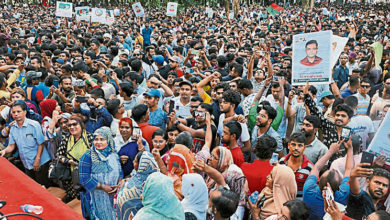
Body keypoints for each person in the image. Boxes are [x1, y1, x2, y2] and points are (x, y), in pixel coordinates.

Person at [0, 101, 51, 187]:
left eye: (18, 111)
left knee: (44, 187)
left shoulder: (34, 125)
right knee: (32, 187)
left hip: (41, 162)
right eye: (13, 112)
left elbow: (41, 144)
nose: (16, 114)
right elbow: (11, 146)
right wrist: (4, 151)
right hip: (26, 163)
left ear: (25, 112)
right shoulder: (13, 128)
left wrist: (37, 160)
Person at [79, 127, 123, 220]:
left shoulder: (114, 155)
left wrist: (119, 183)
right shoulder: (87, 156)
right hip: (95, 198)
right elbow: (84, 179)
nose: (98, 142)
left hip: (114, 195)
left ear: (109, 140)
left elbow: (120, 172)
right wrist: (104, 187)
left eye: (102, 139)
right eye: (96, 139)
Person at [303, 139, 353, 220]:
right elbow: (348, 169)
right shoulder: (343, 194)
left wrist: (330, 151)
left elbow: (316, 168)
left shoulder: (309, 190)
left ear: (318, 182)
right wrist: (350, 148)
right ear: (339, 186)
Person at [56, 114, 93, 203]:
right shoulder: (67, 139)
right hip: (72, 177)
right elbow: (58, 155)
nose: (72, 127)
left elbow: (97, 155)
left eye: (75, 124)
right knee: (76, 199)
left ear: (81, 125)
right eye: (70, 125)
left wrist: (86, 160)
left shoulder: (89, 138)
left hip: (89, 174)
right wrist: (68, 161)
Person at [116, 152, 159, 220]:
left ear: (142, 165)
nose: (133, 162)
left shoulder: (149, 183)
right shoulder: (137, 176)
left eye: (135, 161)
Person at [279, 133, 313, 199]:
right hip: (282, 199)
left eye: (300, 145)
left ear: (304, 148)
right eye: (293, 145)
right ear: (288, 145)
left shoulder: (310, 168)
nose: (296, 148)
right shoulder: (282, 162)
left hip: (300, 204)